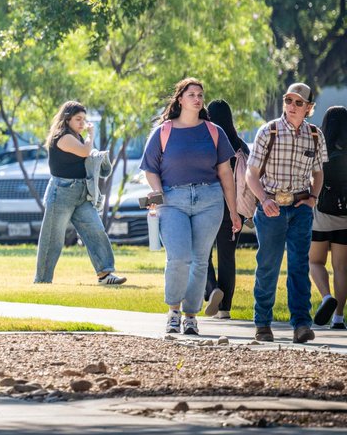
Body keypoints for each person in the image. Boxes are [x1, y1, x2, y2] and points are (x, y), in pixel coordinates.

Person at [139, 78, 240, 336]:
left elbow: (226, 174)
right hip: (173, 201)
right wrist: (158, 193)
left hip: (210, 200)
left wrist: (234, 210)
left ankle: (191, 316)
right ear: (180, 99)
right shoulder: (163, 131)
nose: (197, 99)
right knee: (179, 258)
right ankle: (173, 312)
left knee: (199, 261)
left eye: (200, 95)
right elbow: (150, 169)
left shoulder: (213, 131)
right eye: (191, 94)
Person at [246, 82, 328, 343]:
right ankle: (262, 323)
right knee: (268, 266)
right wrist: (263, 199)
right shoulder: (268, 131)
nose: (292, 106)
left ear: (309, 108)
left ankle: (301, 325)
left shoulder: (315, 135)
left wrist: (313, 197)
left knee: (299, 267)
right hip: (270, 208)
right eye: (288, 100)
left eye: (298, 103)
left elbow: (318, 172)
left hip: (301, 207)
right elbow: (251, 173)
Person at [33, 100, 126, 286]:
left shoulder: (75, 135)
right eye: (78, 119)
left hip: (80, 192)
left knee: (96, 230)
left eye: (84, 119)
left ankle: (105, 274)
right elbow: (85, 152)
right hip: (62, 192)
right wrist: (91, 134)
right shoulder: (63, 137)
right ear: (67, 119)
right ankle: (42, 281)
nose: (82, 123)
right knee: (52, 239)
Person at [203, 99, 248, 319]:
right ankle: (225, 308)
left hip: (209, 206)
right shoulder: (240, 145)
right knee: (228, 257)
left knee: (202, 253)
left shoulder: (208, 140)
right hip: (236, 208)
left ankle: (212, 289)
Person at [310, 106, 347, 329]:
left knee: (314, 261)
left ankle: (326, 297)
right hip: (345, 217)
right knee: (341, 268)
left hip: (321, 215)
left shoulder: (319, 148)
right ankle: (339, 318)